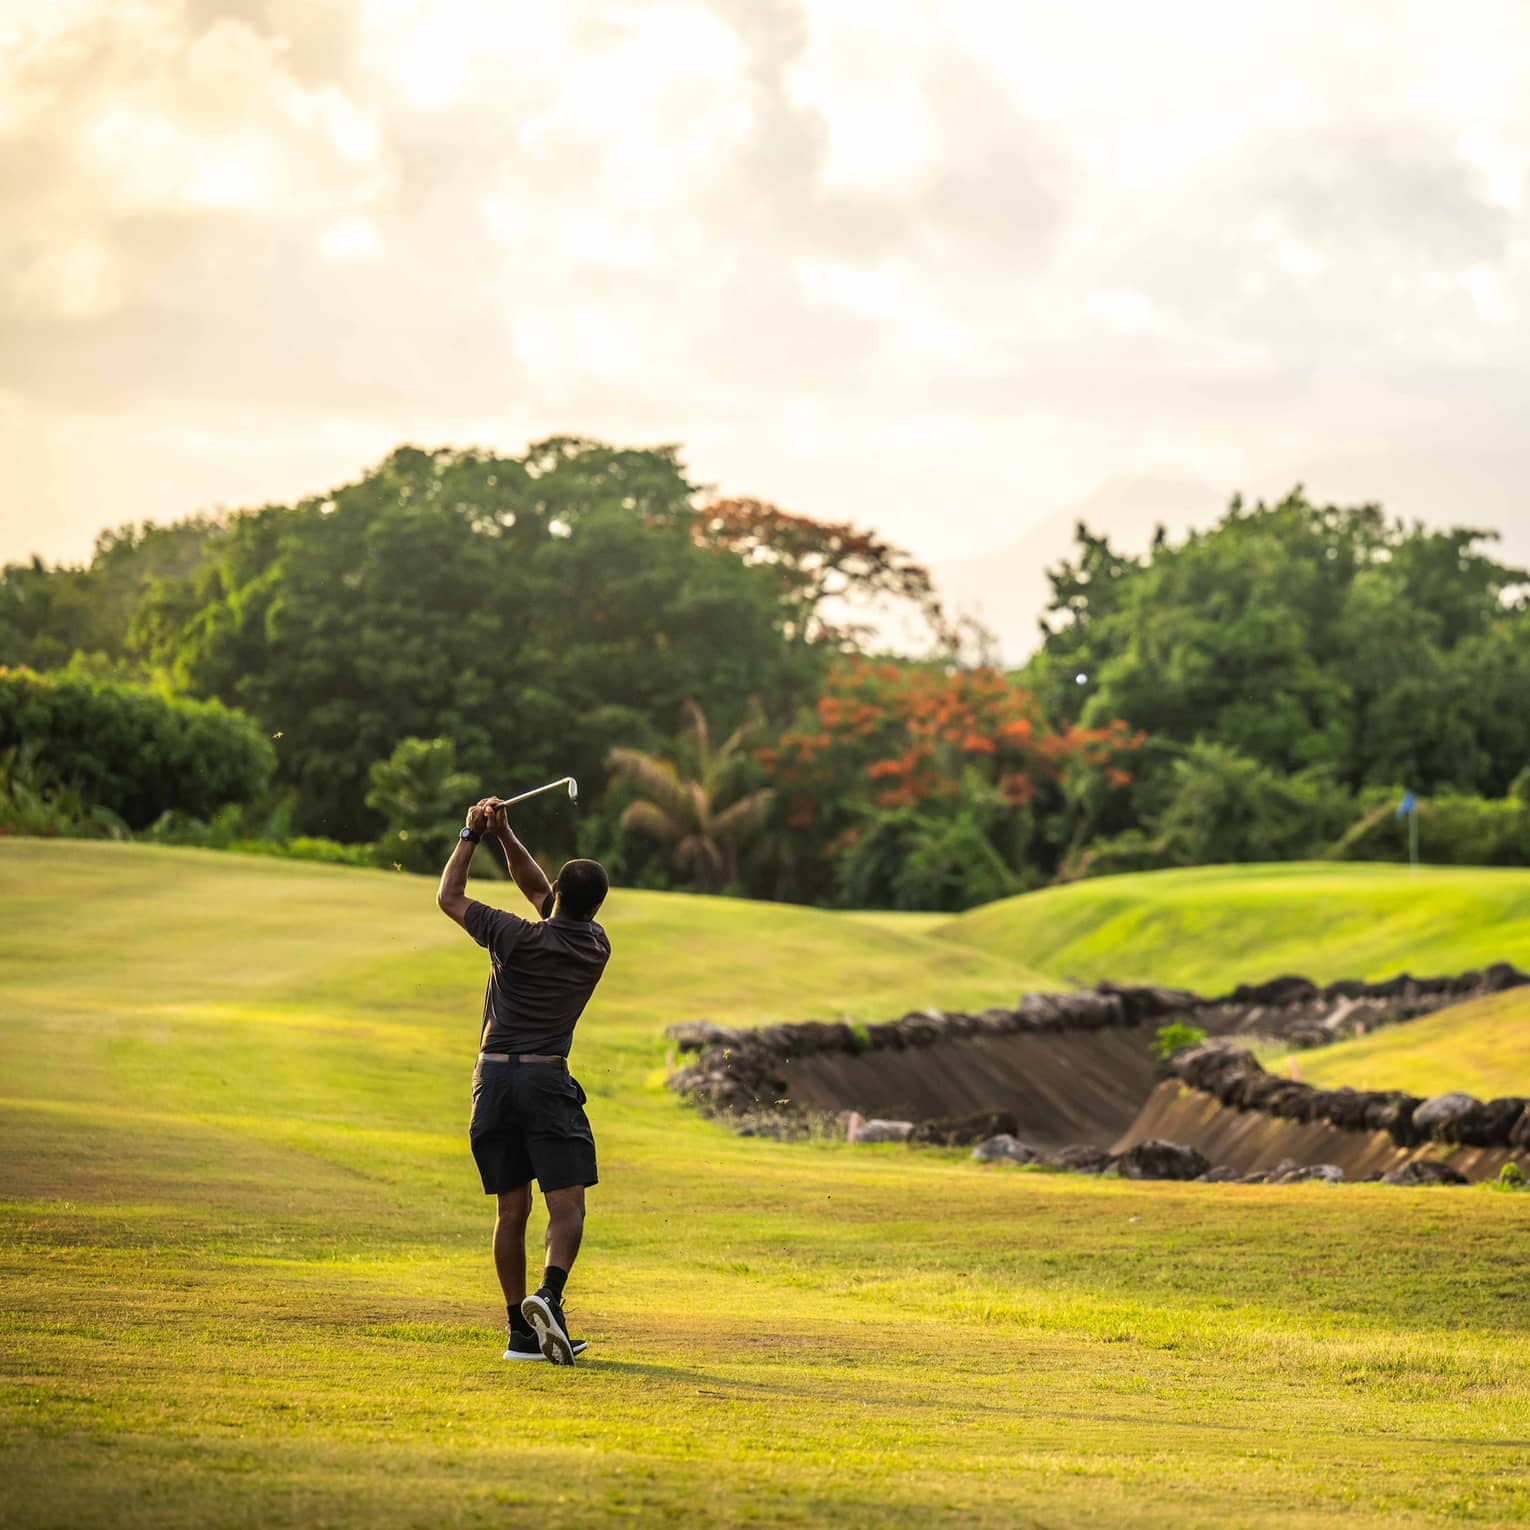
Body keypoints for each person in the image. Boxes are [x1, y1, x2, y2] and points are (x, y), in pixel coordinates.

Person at [435, 797, 611, 1365]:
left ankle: (520, 1332)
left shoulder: (513, 937)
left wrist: (474, 833)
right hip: (544, 1083)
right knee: (567, 1205)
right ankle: (550, 1297)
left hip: (491, 1084)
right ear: (596, 905)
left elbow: (449, 897)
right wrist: (507, 835)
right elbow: (543, 892)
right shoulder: (594, 946)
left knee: (510, 1213)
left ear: (556, 895)